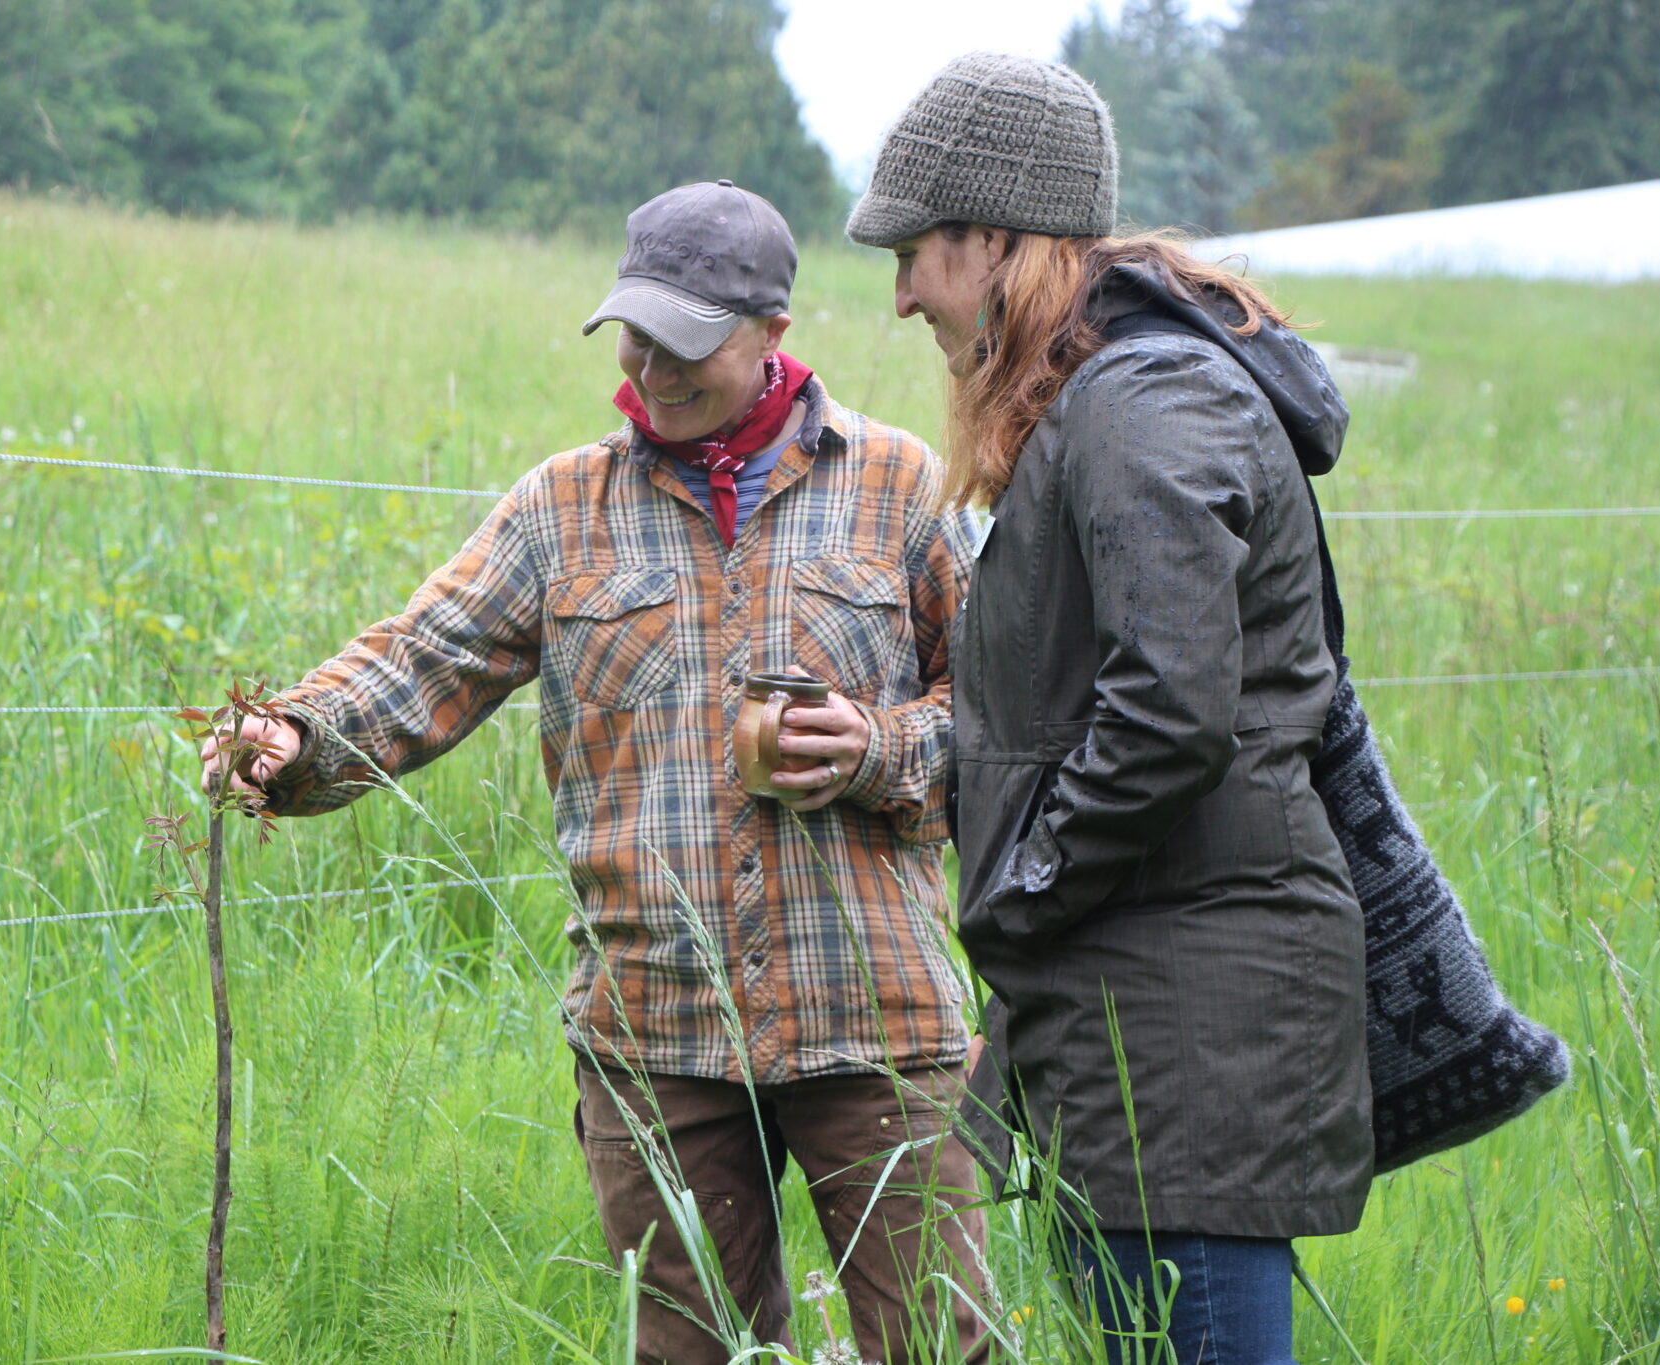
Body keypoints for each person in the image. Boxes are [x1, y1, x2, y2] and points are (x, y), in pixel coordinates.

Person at [203, 180, 990, 1364]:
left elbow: (1001, 715)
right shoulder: (561, 509)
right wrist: (295, 741)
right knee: (685, 1354)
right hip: (655, 1033)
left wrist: (875, 749)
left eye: (686, 342)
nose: (652, 366)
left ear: (772, 333)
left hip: (871, 1020)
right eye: (634, 334)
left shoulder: (901, 487)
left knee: (940, 1347)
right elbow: (422, 661)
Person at [847, 53, 1373, 1365]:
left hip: (1187, 1027)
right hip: (1139, 1007)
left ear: (1002, 238)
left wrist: (1024, 882)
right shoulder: (1104, 398)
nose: (904, 292)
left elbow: (1171, 708)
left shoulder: (1144, 402)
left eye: (917, 251)